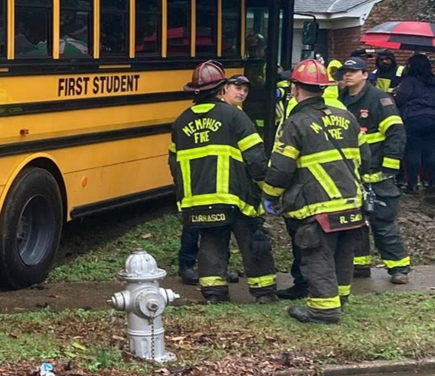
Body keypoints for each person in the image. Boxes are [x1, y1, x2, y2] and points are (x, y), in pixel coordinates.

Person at [263, 58, 364, 323]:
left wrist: (270, 196)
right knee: (343, 253)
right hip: (351, 201)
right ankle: (339, 299)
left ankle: (324, 310)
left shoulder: (295, 123)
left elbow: (281, 169)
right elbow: (364, 157)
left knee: (317, 255)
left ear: (295, 89)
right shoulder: (347, 118)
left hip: (318, 205)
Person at [169, 61, 277, 303]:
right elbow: (256, 159)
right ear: (221, 89)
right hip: (235, 196)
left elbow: (174, 165)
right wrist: (265, 190)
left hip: (197, 200)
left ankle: (214, 293)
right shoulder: (234, 116)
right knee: (251, 239)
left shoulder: (180, 122)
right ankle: (264, 293)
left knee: (211, 242)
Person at [335, 56, 412, 281]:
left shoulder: (379, 100)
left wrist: (390, 167)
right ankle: (360, 265)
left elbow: (396, 133)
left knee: (383, 222)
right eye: (345, 71)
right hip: (352, 174)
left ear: (365, 75)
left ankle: (399, 268)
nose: (347, 75)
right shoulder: (339, 101)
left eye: (353, 71)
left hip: (379, 174)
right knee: (354, 222)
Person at [392, 53, 435, 194]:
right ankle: (432, 184)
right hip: (434, 118)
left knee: (413, 151)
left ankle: (412, 184)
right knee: (431, 152)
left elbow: (400, 100)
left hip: (413, 118)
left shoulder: (409, 81)